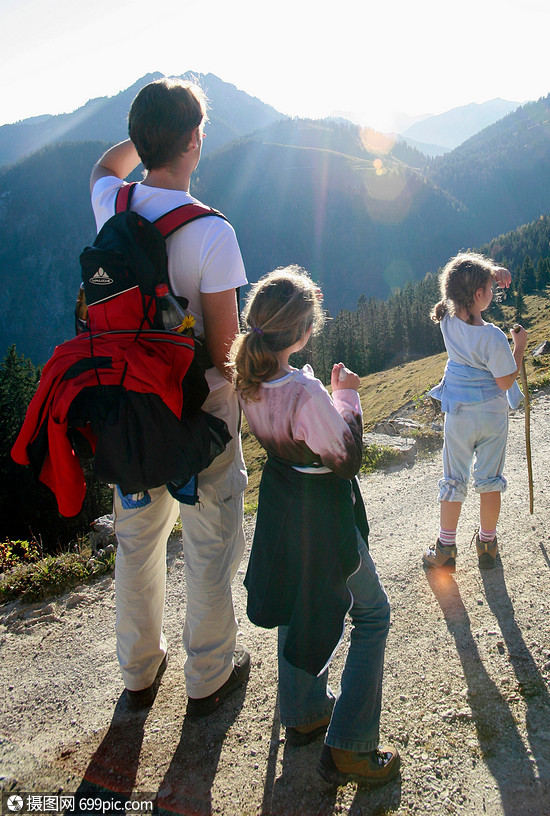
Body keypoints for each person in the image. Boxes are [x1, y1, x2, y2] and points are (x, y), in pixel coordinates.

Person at [90, 77, 250, 718]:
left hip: (127, 409)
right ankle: (207, 677)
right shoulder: (213, 233)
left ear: (142, 139)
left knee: (137, 539)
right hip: (197, 417)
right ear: (195, 142)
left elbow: (104, 165)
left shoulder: (112, 204)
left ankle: (137, 671)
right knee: (209, 541)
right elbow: (222, 352)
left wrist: (143, 140)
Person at [230, 266, 400, 788]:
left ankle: (303, 712)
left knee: (295, 597)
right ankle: (350, 745)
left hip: (284, 504)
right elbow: (345, 456)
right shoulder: (305, 393)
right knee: (372, 615)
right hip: (324, 514)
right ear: (304, 333)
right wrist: (345, 396)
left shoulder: (251, 378)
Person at [423, 252, 528, 571]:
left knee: (454, 478)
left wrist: (488, 272)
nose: (493, 292)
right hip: (492, 416)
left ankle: (445, 547)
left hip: (458, 411)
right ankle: (487, 544)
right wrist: (520, 346)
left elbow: (453, 287)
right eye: (489, 288)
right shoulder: (493, 337)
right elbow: (505, 379)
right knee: (489, 480)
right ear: (480, 295)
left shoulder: (446, 319)